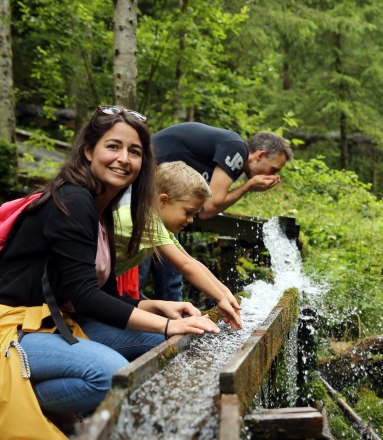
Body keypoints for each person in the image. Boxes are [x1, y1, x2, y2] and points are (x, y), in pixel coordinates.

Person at [0, 106, 219, 438]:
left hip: (52, 323)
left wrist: (156, 306)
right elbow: (85, 297)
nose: (123, 159)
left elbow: (97, 294)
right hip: (13, 327)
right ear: (89, 151)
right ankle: (24, 401)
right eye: (113, 146)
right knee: (110, 374)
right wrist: (169, 323)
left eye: (135, 151)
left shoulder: (102, 208)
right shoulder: (73, 200)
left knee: (159, 343)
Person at [141, 123, 293, 301]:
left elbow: (204, 212)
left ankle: (173, 318)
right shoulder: (237, 148)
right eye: (273, 169)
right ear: (260, 155)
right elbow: (210, 207)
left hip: (156, 196)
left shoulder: (233, 161)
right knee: (141, 266)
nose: (271, 174)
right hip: (142, 188)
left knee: (172, 273)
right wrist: (248, 186)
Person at [114, 161, 243, 329]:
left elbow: (190, 261)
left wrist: (226, 293)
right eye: (188, 212)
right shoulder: (145, 219)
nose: (190, 221)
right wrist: (219, 299)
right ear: (163, 201)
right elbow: (185, 266)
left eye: (194, 215)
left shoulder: (157, 224)